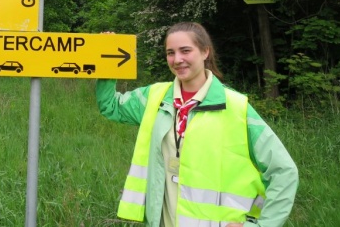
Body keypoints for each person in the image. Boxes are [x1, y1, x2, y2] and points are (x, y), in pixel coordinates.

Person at [96, 22, 298, 227]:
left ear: (204, 52)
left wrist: (261, 226)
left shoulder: (236, 107)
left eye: (185, 51)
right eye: (170, 53)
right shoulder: (154, 97)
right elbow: (111, 106)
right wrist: (107, 58)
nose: (177, 59)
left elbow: (284, 171)